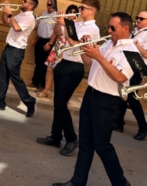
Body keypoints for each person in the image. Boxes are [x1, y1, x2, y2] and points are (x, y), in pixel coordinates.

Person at [53, 12, 136, 186]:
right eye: (109, 26)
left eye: (113, 27)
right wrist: (85, 49)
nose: (109, 30)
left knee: (102, 146)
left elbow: (120, 77)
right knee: (85, 143)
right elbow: (88, 62)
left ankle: (121, 183)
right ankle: (78, 182)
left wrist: (99, 56)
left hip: (108, 101)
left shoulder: (132, 51)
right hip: (92, 95)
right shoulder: (107, 43)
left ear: (125, 28)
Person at [37, 0, 100, 157]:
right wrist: (60, 21)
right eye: (80, 7)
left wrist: (65, 24)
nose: (80, 10)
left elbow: (73, 42)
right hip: (63, 62)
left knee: (60, 103)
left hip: (75, 66)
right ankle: (55, 136)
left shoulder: (93, 29)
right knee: (58, 103)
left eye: (83, 8)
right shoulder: (77, 23)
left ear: (92, 11)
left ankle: (72, 138)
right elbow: (58, 32)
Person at [0, 0, 38, 117]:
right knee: (2, 75)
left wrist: (10, 14)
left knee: (15, 77)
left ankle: (29, 100)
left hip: (17, 50)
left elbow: (17, 28)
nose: (21, 2)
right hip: (9, 47)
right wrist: (5, 12)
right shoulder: (20, 15)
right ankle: (0, 101)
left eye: (24, 1)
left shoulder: (30, 18)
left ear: (31, 6)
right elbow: (6, 22)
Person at [115, 10, 147, 140]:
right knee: (122, 94)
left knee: (132, 98)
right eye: (137, 18)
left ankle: (143, 127)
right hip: (127, 65)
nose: (138, 20)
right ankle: (118, 123)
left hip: (137, 68)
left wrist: (136, 45)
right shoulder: (134, 32)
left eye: (141, 19)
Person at [36, 4, 79, 99]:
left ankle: (59, 94)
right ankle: (46, 90)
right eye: (70, 11)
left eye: (74, 12)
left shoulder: (77, 24)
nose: (71, 14)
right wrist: (59, 21)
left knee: (60, 72)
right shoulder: (63, 21)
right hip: (58, 45)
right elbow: (56, 33)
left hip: (66, 48)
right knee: (49, 68)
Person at [29, 0, 56, 89]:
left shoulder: (56, 16)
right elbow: (39, 28)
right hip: (40, 40)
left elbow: (55, 33)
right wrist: (34, 39)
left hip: (48, 41)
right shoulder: (44, 13)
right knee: (38, 62)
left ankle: (41, 84)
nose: (51, 6)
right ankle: (36, 82)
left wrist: (50, 43)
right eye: (49, 4)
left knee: (44, 64)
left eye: (52, 5)